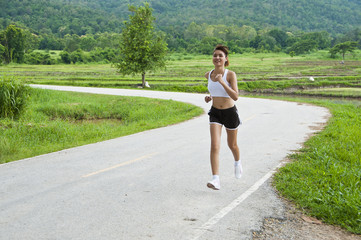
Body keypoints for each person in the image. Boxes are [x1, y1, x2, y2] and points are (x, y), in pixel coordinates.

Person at [204, 44, 242, 190]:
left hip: (230, 112)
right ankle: (216, 179)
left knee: (232, 144)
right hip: (215, 113)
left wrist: (222, 82)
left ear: (226, 59)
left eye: (220, 55)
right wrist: (210, 97)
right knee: (214, 145)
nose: (217, 57)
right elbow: (214, 91)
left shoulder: (230, 75)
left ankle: (237, 162)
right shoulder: (208, 75)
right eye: (215, 55)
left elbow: (235, 96)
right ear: (212, 58)